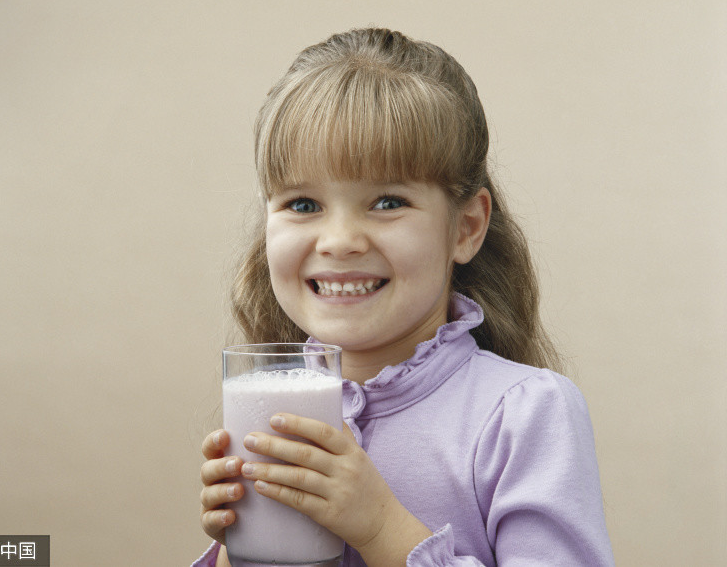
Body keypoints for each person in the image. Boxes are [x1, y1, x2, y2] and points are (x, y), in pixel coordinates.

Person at [194, 28, 615, 566]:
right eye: (302, 205)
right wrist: (243, 548)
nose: (340, 241)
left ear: (465, 228)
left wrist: (380, 526)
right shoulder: (267, 407)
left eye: (388, 201)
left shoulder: (525, 414)